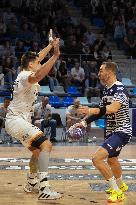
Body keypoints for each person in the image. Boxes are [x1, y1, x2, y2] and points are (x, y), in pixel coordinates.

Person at [5, 31, 62, 200]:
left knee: (38, 153)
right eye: (38, 62)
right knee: (46, 145)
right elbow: (38, 73)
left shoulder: (23, 71)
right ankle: (44, 189)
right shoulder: (25, 76)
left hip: (17, 121)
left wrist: (51, 46)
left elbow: (38, 56)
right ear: (31, 65)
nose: (40, 62)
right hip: (16, 120)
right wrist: (55, 56)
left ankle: (31, 183)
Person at [74, 62, 132, 203]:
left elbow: (112, 109)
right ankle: (121, 186)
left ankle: (117, 192)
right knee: (112, 160)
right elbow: (100, 112)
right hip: (111, 131)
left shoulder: (120, 90)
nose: (98, 73)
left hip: (121, 131)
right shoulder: (107, 90)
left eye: (101, 70)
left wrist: (90, 110)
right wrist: (83, 122)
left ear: (110, 72)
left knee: (96, 159)